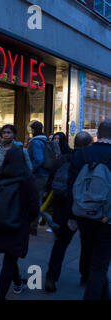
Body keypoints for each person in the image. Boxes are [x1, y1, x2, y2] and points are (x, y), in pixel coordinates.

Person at [68, 120, 111, 300]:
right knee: (99, 265)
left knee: (93, 257)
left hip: (84, 215)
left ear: (98, 134)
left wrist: (71, 216)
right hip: (107, 218)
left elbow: (70, 184)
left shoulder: (82, 153)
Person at [44, 131, 92, 293]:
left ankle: (51, 278)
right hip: (83, 208)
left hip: (62, 208)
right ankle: (85, 274)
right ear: (88, 145)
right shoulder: (89, 161)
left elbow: (50, 183)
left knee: (60, 245)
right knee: (87, 244)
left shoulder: (63, 159)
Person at [0, 147, 40, 300]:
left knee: (10, 256)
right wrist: (29, 220)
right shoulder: (27, 177)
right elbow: (34, 205)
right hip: (18, 223)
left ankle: (18, 282)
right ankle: (0, 296)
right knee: (10, 260)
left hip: (1, 222)